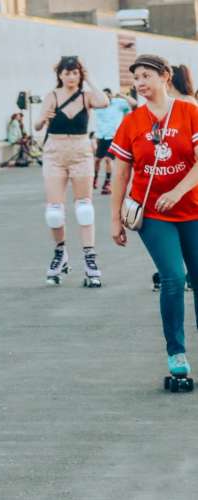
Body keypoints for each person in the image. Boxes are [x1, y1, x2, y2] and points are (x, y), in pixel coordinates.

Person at [109, 54, 198, 387]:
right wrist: (115, 219)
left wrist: (177, 191)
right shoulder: (132, 122)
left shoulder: (189, 113)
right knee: (173, 278)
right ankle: (176, 353)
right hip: (153, 215)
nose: (141, 83)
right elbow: (120, 173)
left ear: (166, 76)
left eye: (147, 75)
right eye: (136, 78)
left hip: (193, 209)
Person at [34, 56, 109, 287]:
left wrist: (90, 78)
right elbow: (37, 125)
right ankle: (60, 253)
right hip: (55, 151)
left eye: (75, 72)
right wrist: (43, 119)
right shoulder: (52, 96)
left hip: (80, 150)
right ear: (60, 75)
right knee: (54, 212)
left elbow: (104, 101)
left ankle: (90, 258)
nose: (71, 77)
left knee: (84, 208)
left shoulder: (87, 97)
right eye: (67, 73)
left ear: (80, 74)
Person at [152, 64, 196, 292]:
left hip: (185, 180)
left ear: (169, 80)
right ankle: (174, 272)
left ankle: (175, 273)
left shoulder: (186, 104)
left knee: (181, 231)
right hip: (179, 178)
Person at [93, 88, 131, 194]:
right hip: (101, 136)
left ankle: (108, 183)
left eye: (107, 95)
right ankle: (94, 178)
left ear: (110, 95)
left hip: (113, 137)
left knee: (108, 160)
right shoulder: (98, 106)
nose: (105, 98)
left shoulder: (118, 104)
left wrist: (121, 95)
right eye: (103, 96)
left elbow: (132, 105)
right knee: (96, 160)